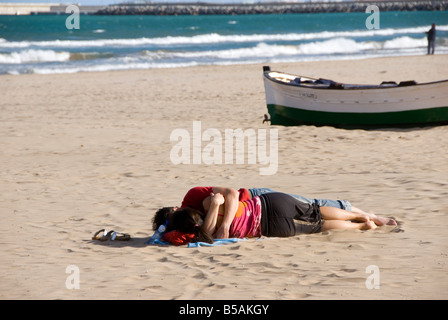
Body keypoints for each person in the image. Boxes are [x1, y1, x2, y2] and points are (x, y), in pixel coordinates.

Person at [154, 192, 393, 246]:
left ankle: (363, 225)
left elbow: (176, 238)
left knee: (319, 226)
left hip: (271, 226)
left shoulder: (209, 235)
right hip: (268, 203)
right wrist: (216, 204)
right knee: (316, 210)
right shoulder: (209, 203)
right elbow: (229, 194)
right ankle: (358, 215)